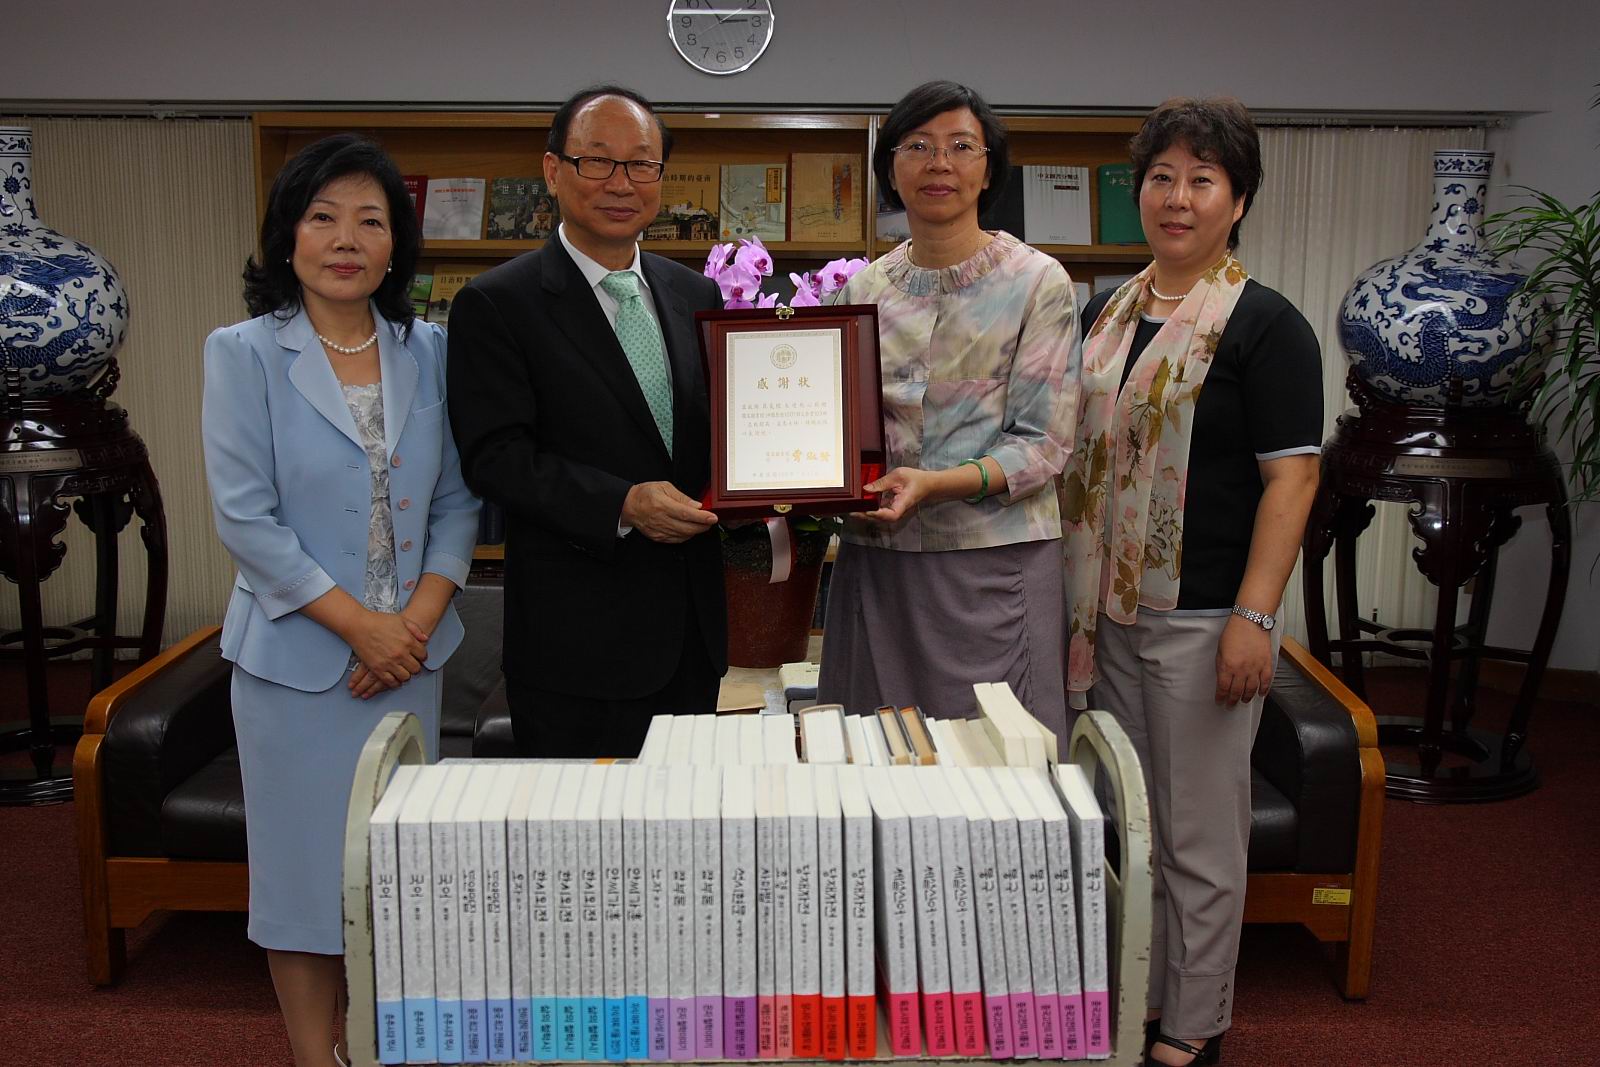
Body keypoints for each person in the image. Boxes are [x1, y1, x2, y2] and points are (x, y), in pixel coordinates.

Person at [201, 133, 479, 1067]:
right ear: (288, 236)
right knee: (304, 886)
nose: (346, 239)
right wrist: (365, 629)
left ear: (398, 245)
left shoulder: (431, 350)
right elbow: (247, 519)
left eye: (370, 220)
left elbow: (458, 502)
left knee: (396, 877)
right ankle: (312, 1057)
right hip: (296, 669)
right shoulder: (242, 353)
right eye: (323, 217)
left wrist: (416, 624)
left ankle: (379, 1046)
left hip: (410, 664)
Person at [1060, 98, 1322, 1066]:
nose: (1177, 198)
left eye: (1201, 180)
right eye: (1161, 177)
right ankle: (1149, 994)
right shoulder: (1107, 313)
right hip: (1108, 613)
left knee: (1201, 835)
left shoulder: (1267, 325)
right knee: (1137, 825)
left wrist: (1255, 615)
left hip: (1205, 616)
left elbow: (1292, 481)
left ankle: (1198, 1022)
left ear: (1237, 200)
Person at [447, 85, 727, 759]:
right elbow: (495, 457)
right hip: (577, 650)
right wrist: (622, 503)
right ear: (553, 170)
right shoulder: (497, 303)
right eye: (597, 160)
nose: (621, 183)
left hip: (691, 638)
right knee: (586, 827)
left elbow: (714, 433)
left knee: (688, 816)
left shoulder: (695, 293)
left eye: (642, 163)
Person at [815, 80, 1080, 739]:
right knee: (879, 758)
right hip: (879, 565)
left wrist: (935, 485)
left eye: (962, 146)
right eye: (918, 146)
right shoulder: (861, 290)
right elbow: (834, 431)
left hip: (993, 569)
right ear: (890, 169)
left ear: (989, 169)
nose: (940, 163)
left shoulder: (1038, 282)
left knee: (1000, 765)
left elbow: (1043, 444)